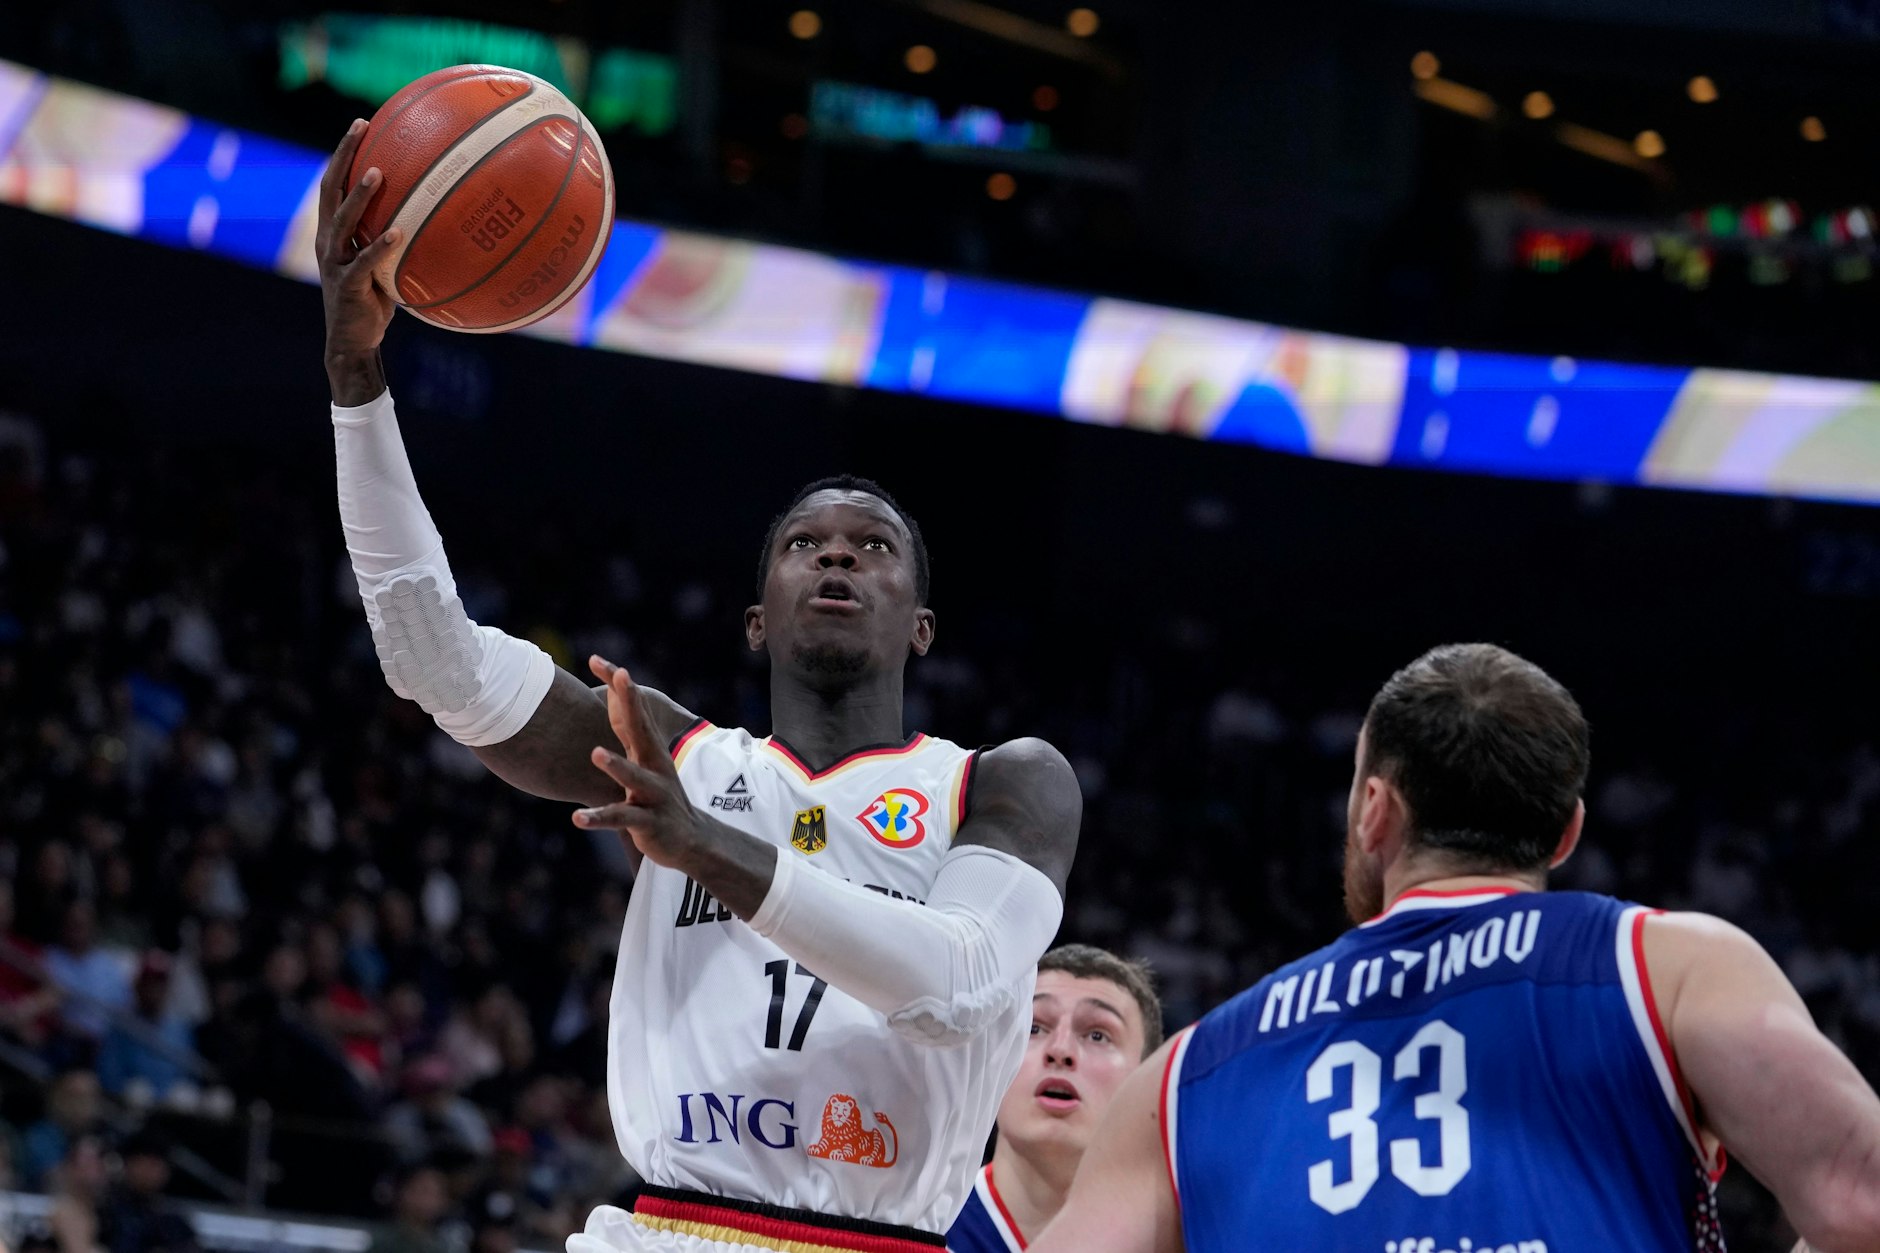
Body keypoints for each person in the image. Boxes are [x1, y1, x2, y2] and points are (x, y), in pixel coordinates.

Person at [315, 122, 1081, 1253]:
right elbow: (434, 657)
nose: (837, 553)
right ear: (756, 616)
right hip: (668, 1228)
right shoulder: (674, 757)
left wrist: (711, 849)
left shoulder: (1002, 784)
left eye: (873, 547)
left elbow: (959, 984)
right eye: (804, 543)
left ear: (921, 627)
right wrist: (355, 375)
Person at [1032, 643, 1880, 1253]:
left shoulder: (1184, 1076)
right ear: (1566, 832)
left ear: (1375, 811)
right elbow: (1859, 1199)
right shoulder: (1667, 965)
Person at [948, 945, 1161, 1252]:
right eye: (1033, 1028)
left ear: (1148, 1082)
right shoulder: (917, 1223)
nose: (1060, 1050)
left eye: (1097, 1035)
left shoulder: (1189, 1240)